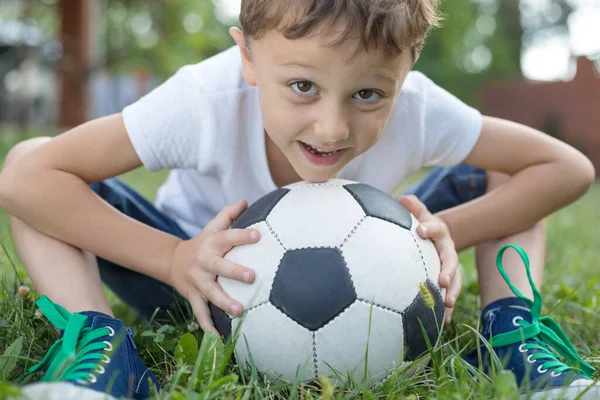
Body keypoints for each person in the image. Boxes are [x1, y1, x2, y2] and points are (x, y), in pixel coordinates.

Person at [0, 1, 597, 399]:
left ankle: (514, 337)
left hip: (376, 266)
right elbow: (24, 181)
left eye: (368, 93)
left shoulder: (418, 105)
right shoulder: (204, 101)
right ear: (248, 57)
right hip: (198, 283)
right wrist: (174, 259)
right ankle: (102, 350)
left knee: (501, 173)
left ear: (407, 67)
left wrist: (440, 232)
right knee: (36, 163)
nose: (332, 128)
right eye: (302, 86)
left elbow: (565, 168)